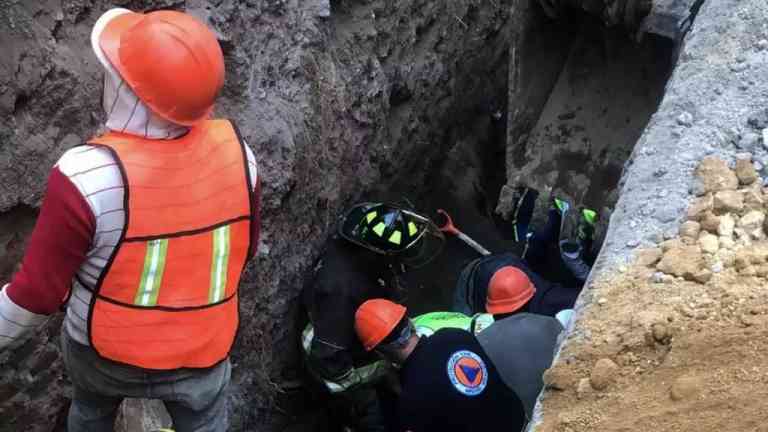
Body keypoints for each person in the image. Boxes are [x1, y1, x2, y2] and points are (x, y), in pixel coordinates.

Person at [0, 8, 260, 431]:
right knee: (208, 422)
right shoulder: (239, 156)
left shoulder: (86, 175)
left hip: (105, 355)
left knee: (90, 411)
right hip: (203, 351)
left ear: (128, 91)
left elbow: (37, 296)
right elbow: (242, 253)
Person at [301, 202, 444, 431]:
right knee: (372, 414)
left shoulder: (363, 249)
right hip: (337, 364)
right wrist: (381, 369)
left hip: (359, 332)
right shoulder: (340, 292)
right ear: (377, 254)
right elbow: (328, 359)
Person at [355, 299, 562, 431]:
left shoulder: (412, 400)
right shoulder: (455, 336)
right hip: (521, 420)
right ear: (409, 322)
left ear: (380, 351)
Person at [455, 190, 598, 326]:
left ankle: (560, 218)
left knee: (537, 254)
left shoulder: (556, 302)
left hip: (496, 275)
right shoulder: (551, 302)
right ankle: (559, 218)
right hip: (501, 270)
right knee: (536, 252)